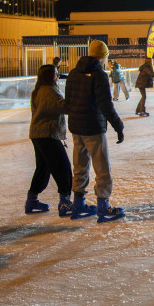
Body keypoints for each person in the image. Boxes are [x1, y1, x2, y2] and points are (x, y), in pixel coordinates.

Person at [65, 39, 125, 223]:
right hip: (93, 128)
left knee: (80, 165)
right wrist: (119, 126)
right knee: (102, 169)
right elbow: (105, 105)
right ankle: (103, 206)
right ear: (103, 57)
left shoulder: (74, 73)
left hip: (76, 128)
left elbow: (68, 102)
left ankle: (78, 203)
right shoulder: (99, 75)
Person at [26, 64, 75, 216]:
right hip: (47, 134)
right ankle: (65, 202)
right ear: (50, 76)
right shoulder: (49, 91)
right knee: (63, 168)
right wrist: (74, 91)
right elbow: (65, 107)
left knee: (43, 168)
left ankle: (32, 201)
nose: (58, 76)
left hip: (38, 134)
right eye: (56, 74)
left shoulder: (40, 89)